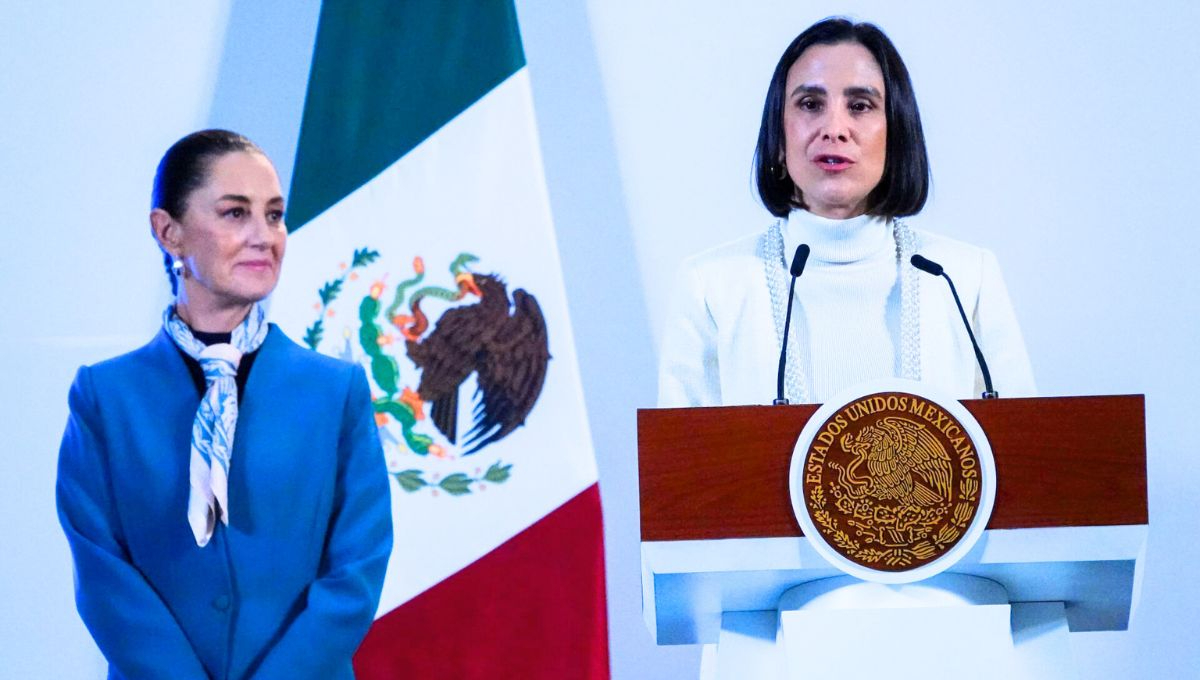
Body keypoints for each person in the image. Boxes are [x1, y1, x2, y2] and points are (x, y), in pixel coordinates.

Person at [56, 129, 393, 679]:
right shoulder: (105, 397)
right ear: (170, 232)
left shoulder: (336, 392)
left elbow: (356, 570)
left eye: (275, 214)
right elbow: (103, 576)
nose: (265, 236)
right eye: (236, 214)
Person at [658, 18, 1035, 408]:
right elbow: (682, 462)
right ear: (779, 139)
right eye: (810, 104)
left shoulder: (964, 279)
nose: (834, 128)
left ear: (897, 133)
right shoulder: (712, 287)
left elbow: (1023, 449)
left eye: (859, 106)